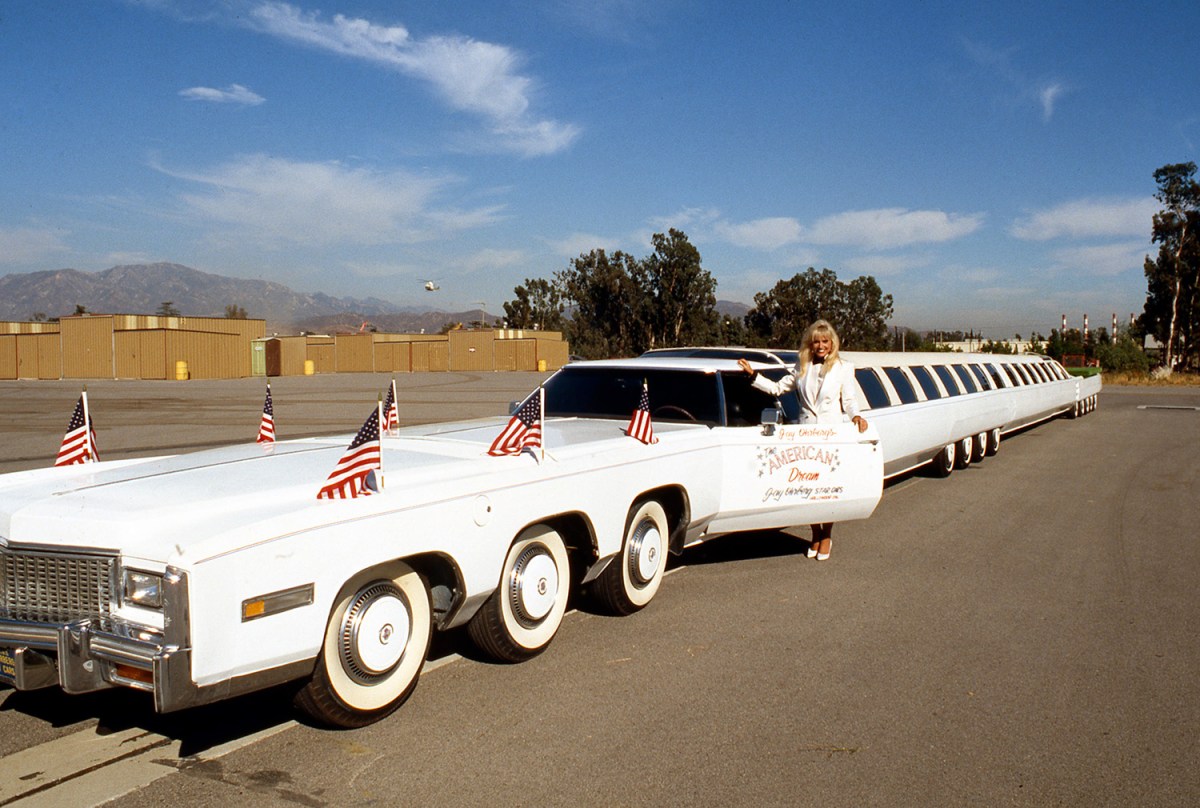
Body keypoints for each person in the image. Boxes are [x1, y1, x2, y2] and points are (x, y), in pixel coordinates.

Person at [737, 319, 867, 561]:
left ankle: (826, 534)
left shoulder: (844, 368)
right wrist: (753, 375)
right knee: (807, 486)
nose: (820, 346)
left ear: (832, 343)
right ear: (811, 343)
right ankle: (814, 533)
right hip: (806, 433)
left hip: (830, 434)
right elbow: (777, 389)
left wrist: (857, 416)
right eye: (816, 341)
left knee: (827, 487)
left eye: (825, 341)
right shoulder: (802, 366)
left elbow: (849, 400)